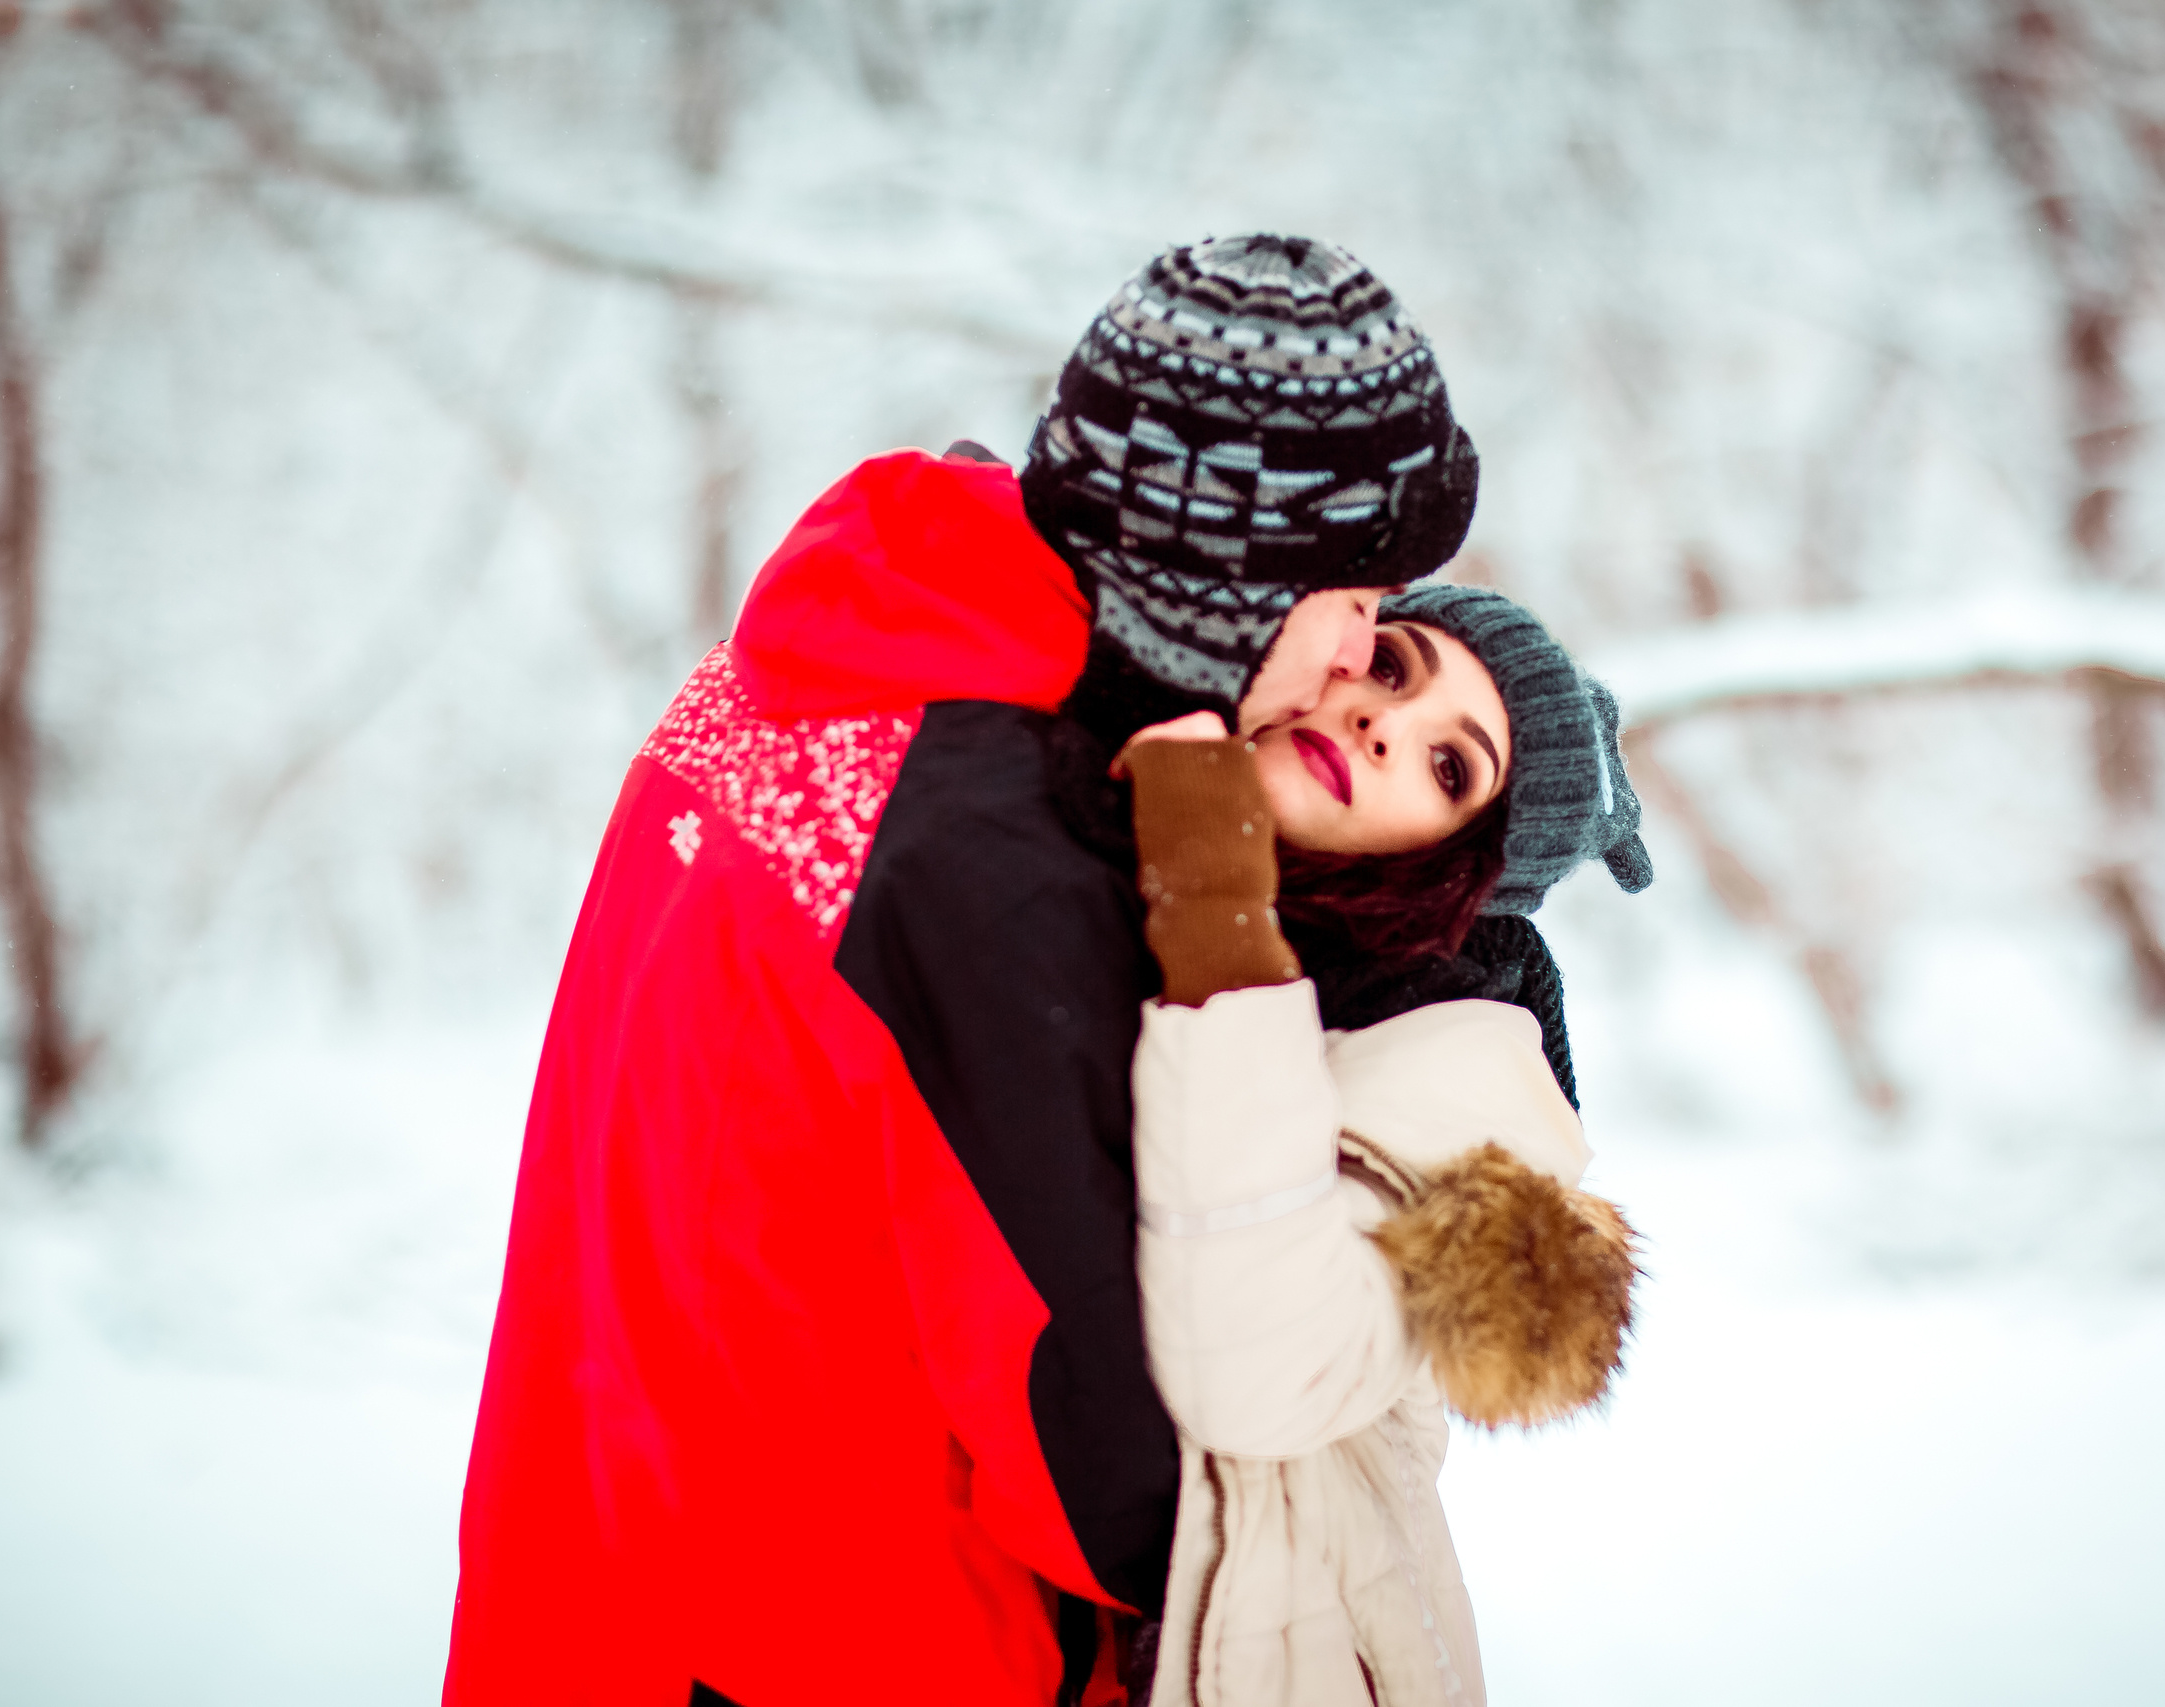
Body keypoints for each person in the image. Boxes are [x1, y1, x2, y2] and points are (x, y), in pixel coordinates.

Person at [442, 234, 1481, 1707]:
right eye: (1356, 595)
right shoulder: (989, 861)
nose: (1358, 654)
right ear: (1233, 575)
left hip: (595, 1592)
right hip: (843, 1648)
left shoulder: (821, 653)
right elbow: (1133, 1490)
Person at [1108, 584, 1653, 1705]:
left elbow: (1261, 1373)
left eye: (1450, 768)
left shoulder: (1458, 1061)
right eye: (1395, 669)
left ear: (1463, 866)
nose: (1381, 725)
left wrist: (1216, 906)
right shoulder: (1103, 832)